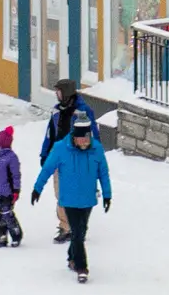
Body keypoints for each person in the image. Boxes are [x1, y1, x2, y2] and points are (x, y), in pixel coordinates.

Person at [31, 101, 113, 284]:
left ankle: (71, 257)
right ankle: (82, 268)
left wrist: (107, 194)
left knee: (80, 232)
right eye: (81, 138)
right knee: (77, 233)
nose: (84, 142)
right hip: (68, 199)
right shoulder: (61, 148)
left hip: (88, 199)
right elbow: (47, 169)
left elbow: (103, 173)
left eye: (87, 138)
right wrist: (37, 189)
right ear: (74, 136)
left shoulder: (96, 149)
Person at [41, 83, 81, 245]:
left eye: (59, 92)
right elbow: (49, 135)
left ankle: (70, 226)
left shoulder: (80, 115)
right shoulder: (56, 113)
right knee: (60, 194)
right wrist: (44, 155)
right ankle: (66, 225)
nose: (57, 95)